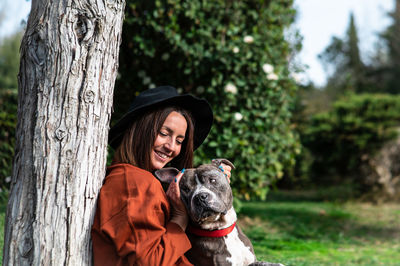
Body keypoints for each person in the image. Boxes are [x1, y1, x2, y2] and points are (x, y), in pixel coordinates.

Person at [91, 86, 231, 265]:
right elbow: (151, 261)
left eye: (179, 141)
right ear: (141, 130)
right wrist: (179, 219)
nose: (171, 147)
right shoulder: (136, 182)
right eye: (164, 133)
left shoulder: (132, 179)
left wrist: (216, 184)